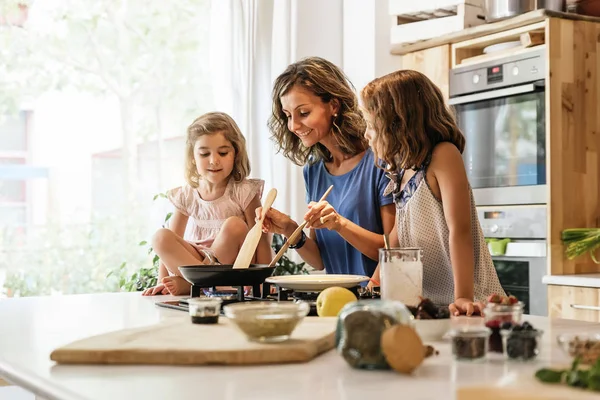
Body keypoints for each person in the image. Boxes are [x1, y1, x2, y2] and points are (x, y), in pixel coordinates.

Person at [360, 69, 505, 316]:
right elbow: (397, 237)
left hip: (470, 302)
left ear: (398, 122)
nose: (366, 134)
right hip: (431, 305)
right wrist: (371, 287)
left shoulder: (444, 155)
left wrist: (463, 298)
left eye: (371, 125)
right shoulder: (403, 168)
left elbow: (460, 230)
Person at [258, 56, 395, 278]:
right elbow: (320, 260)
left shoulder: (379, 161)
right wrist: (291, 230)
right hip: (336, 301)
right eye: (287, 116)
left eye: (303, 113)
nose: (293, 125)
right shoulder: (313, 171)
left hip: (377, 301)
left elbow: (394, 252)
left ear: (333, 105)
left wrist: (340, 223)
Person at [142, 112, 273, 296]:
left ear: (236, 154)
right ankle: (204, 285)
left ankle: (196, 285)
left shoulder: (244, 191)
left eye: (223, 152)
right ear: (193, 158)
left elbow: (260, 239)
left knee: (234, 225)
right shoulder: (187, 194)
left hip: (231, 267)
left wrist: (263, 282)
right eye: (204, 153)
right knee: (161, 237)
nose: (214, 160)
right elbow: (172, 240)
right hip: (197, 261)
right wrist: (161, 282)